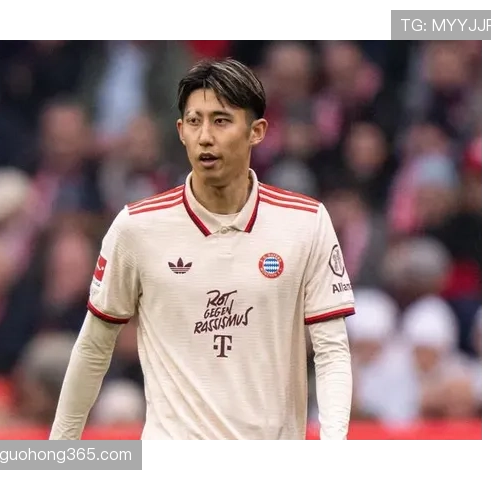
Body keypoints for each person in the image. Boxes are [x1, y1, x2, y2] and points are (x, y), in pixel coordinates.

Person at [49, 58, 355, 440]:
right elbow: (94, 346)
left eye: (221, 121)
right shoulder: (136, 226)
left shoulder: (306, 222)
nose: (205, 136)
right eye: (195, 121)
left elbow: (331, 351)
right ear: (180, 131)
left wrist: (333, 446)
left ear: (257, 131)